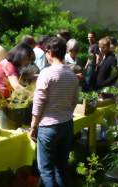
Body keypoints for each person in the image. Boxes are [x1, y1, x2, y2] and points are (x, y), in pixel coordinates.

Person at [30, 37, 78, 187]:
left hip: (48, 126)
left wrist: (33, 125)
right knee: (61, 168)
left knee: (46, 170)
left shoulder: (46, 73)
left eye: (46, 52)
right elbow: (74, 101)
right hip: (67, 124)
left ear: (49, 52)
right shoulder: (72, 75)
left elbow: (38, 102)